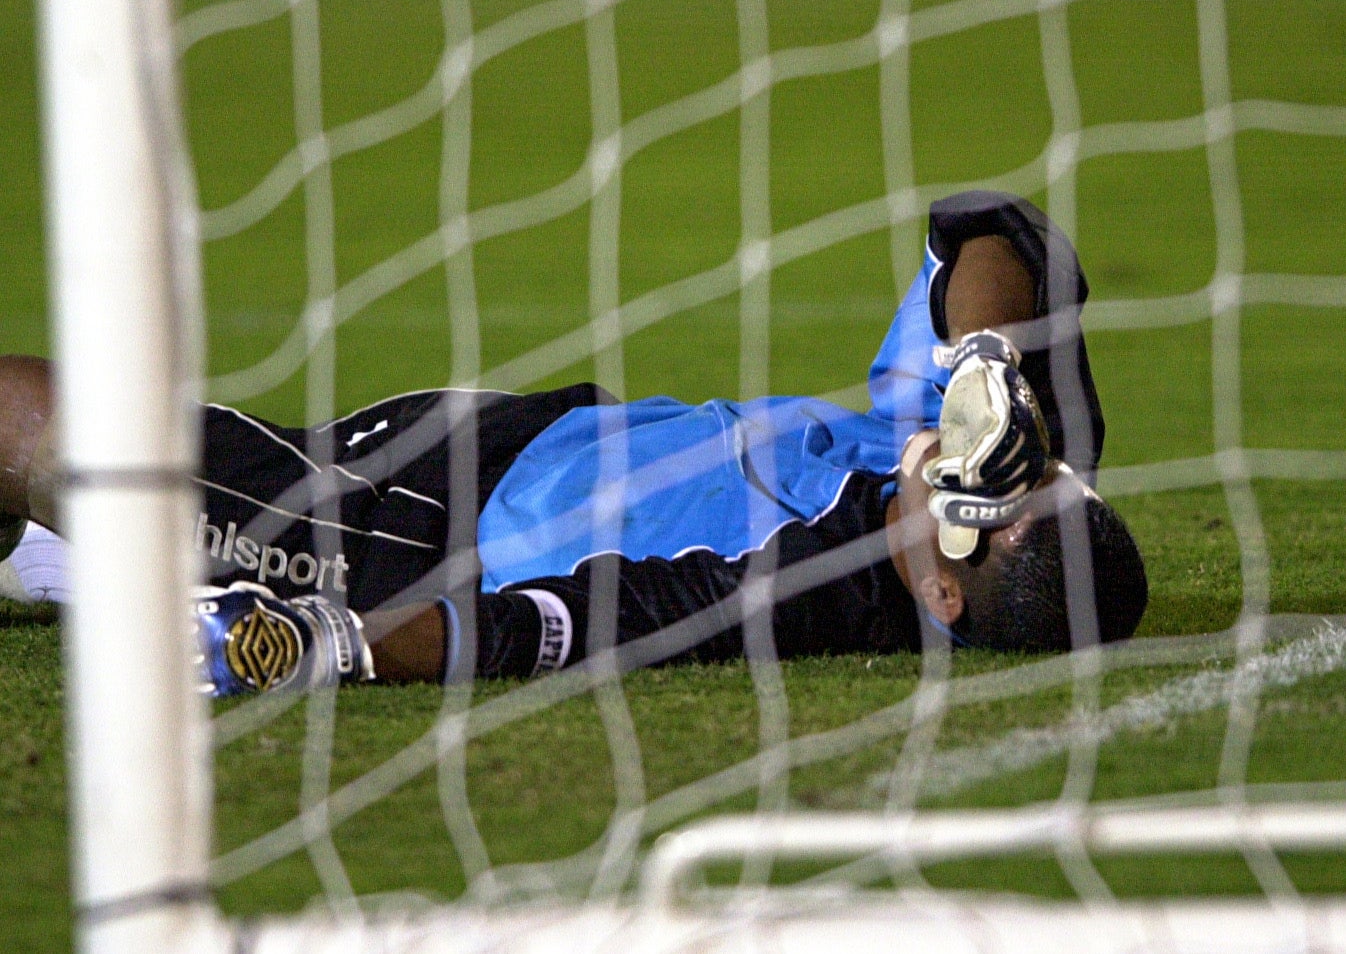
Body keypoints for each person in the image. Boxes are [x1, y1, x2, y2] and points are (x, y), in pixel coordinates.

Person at [0, 191, 1147, 695]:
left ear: (942, 595)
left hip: (411, 539)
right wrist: (986, 365)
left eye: (981, 502)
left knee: (44, 432)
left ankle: (75, 563)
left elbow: (543, 631)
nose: (972, 464)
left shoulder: (809, 597)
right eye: (1019, 464)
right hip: (515, 433)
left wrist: (334, 645)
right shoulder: (971, 431)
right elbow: (1001, 230)